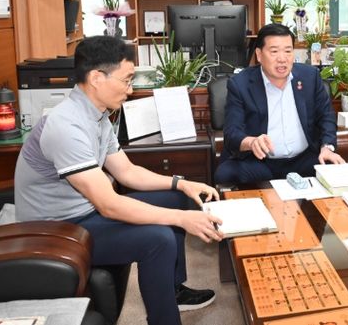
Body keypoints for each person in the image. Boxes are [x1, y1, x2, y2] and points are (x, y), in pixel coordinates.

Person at [14, 36, 224, 325]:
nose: (131, 89)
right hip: (56, 229)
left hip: (82, 213)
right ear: (96, 78)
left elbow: (126, 172)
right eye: (126, 80)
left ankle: (172, 290)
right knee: (159, 239)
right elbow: (109, 205)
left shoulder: (97, 115)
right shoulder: (66, 126)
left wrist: (181, 183)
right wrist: (181, 219)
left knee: (175, 197)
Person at [215, 23, 344, 184]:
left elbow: (326, 117)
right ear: (259, 55)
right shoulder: (240, 84)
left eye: (288, 51)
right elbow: (232, 133)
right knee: (226, 174)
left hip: (304, 159)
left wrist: (327, 147)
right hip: (259, 162)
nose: (282, 58)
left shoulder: (310, 77)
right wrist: (252, 142)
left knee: (333, 166)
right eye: (274, 51)